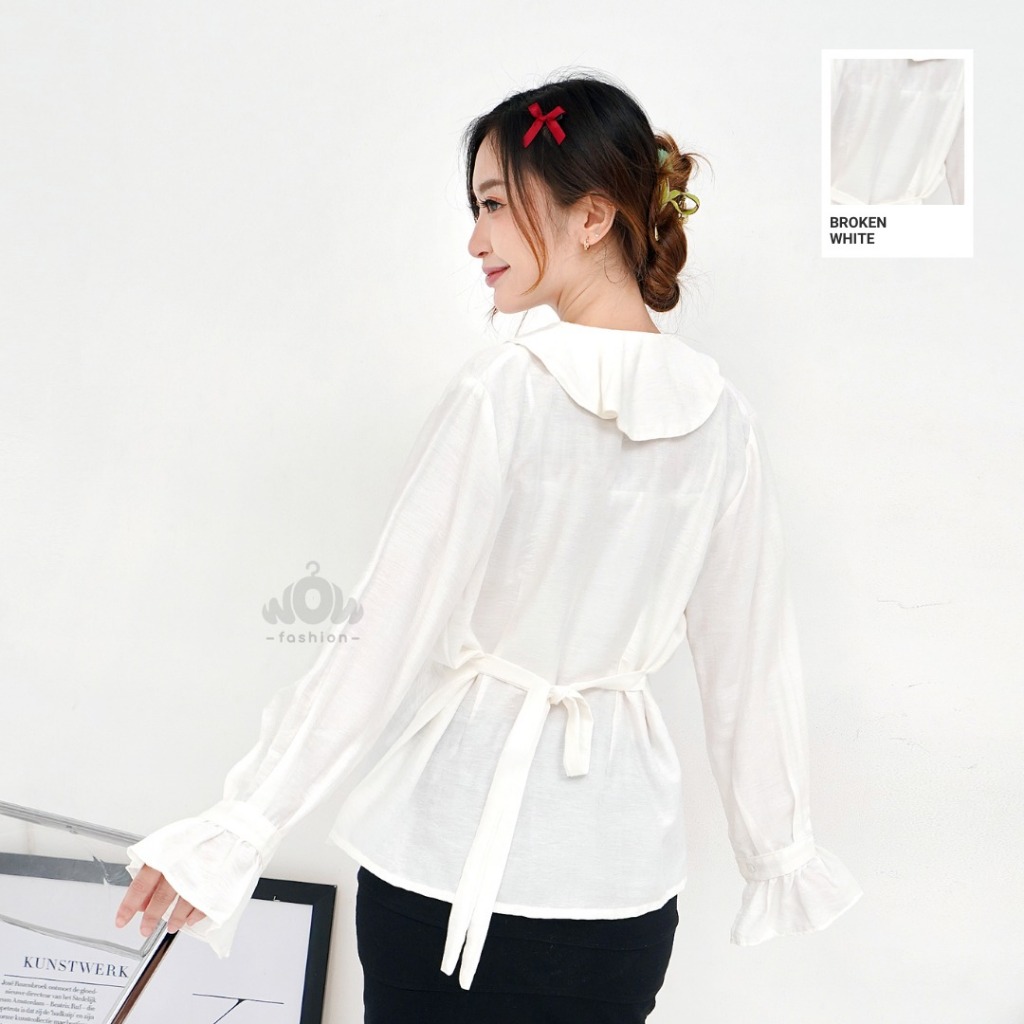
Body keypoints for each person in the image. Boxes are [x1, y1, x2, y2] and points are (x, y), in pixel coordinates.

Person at [115, 71, 864, 1023]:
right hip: (618, 893)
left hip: (444, 869)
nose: (475, 239)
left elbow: (377, 634)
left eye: (496, 205)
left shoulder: (505, 393)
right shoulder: (722, 421)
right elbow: (750, 666)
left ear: (592, 215)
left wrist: (241, 823)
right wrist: (777, 849)